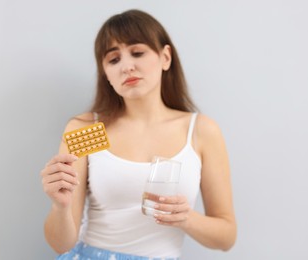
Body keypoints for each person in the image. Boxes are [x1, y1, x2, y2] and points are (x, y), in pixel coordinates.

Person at [41, 9, 236, 260]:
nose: (127, 67)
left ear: (165, 57)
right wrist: (60, 206)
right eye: (113, 60)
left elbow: (227, 237)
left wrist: (186, 218)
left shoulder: (199, 131)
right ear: (106, 74)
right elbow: (60, 244)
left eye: (137, 53)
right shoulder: (90, 129)